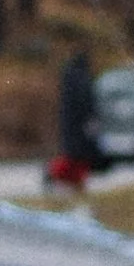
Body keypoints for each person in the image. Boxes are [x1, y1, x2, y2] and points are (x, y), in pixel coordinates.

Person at [51, 45, 101, 191]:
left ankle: (65, 180)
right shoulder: (82, 79)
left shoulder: (68, 77)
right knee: (78, 158)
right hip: (80, 126)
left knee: (72, 155)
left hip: (70, 125)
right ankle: (72, 182)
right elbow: (87, 102)